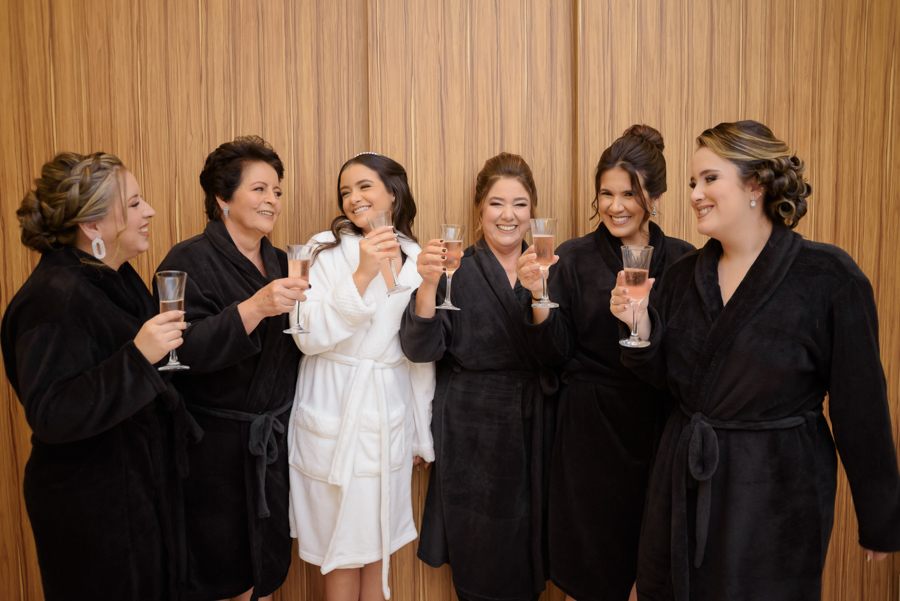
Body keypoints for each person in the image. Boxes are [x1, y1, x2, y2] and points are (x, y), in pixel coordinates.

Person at [610, 120, 900, 600]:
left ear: (756, 185)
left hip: (775, 489)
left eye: (709, 178)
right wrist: (638, 328)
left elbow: (861, 407)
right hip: (685, 479)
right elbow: (668, 382)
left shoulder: (828, 277)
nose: (695, 193)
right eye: (691, 183)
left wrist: (881, 517)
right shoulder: (683, 278)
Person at [516, 126, 694, 601]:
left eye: (629, 194)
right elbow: (551, 354)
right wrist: (538, 296)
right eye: (606, 194)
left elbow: (690, 358)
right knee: (590, 568)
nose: (615, 206)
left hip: (658, 428)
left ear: (654, 196)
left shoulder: (684, 261)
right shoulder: (570, 259)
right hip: (588, 433)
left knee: (654, 565)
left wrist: (643, 327)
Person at [1, 152, 187, 600]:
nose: (150, 212)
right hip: (93, 509)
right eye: (136, 203)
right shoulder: (54, 297)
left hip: (135, 494)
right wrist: (139, 357)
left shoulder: (114, 277)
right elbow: (52, 412)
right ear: (93, 226)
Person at [156, 136, 308, 601]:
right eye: (260, 189)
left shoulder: (283, 261)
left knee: (262, 571)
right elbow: (175, 353)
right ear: (222, 198)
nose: (272, 201)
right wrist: (254, 308)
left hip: (269, 442)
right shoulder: (187, 260)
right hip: (213, 452)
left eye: (277, 191)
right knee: (221, 575)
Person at [400, 152, 552, 601]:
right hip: (470, 425)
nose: (509, 216)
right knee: (480, 552)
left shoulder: (545, 267)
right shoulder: (454, 268)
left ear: (532, 212)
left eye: (520, 204)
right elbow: (420, 348)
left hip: (533, 420)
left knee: (529, 548)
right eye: (497, 203)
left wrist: (539, 292)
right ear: (479, 209)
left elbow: (559, 351)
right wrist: (426, 284)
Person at [287, 152, 434, 601]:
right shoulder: (320, 250)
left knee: (378, 551)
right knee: (341, 554)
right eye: (345, 191)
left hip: (387, 420)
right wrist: (364, 271)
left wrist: (418, 436)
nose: (353, 198)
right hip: (335, 416)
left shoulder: (415, 256)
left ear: (394, 192)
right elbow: (305, 336)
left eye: (364, 186)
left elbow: (419, 358)